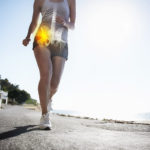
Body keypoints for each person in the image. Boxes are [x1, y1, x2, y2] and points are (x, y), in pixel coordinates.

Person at [22, 0, 76, 130]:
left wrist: (64, 22)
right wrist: (28, 36)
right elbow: (34, 22)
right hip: (42, 37)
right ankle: (45, 115)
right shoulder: (39, 1)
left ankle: (48, 99)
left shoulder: (71, 1)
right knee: (46, 74)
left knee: (55, 84)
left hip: (61, 42)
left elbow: (73, 25)